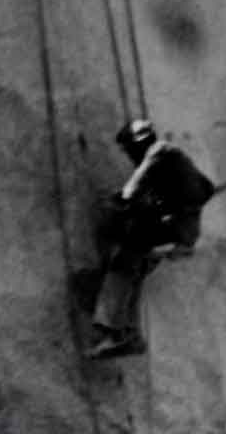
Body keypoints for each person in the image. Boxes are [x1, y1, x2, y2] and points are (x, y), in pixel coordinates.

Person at [90, 116, 215, 357]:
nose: (129, 156)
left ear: (139, 144)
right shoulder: (170, 160)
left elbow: (132, 189)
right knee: (133, 270)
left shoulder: (158, 154)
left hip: (171, 233)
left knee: (125, 262)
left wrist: (120, 199)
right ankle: (128, 333)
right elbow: (204, 189)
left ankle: (116, 332)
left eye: (129, 150)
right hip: (178, 236)